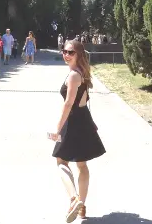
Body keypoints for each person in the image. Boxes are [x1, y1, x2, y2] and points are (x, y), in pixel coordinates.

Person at [48, 39, 105, 222]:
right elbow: (85, 100)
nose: (66, 55)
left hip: (73, 121)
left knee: (61, 161)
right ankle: (82, 208)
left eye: (70, 52)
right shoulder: (82, 72)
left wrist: (57, 129)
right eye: (64, 51)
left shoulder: (73, 75)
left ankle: (74, 199)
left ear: (78, 54)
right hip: (83, 119)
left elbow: (68, 104)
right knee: (82, 164)